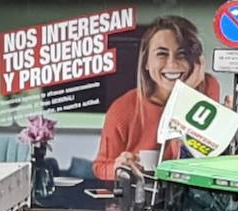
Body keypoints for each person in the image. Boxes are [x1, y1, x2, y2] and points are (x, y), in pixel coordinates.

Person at [93, 16, 221, 183]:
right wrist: (118, 167)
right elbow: (100, 167)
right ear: (146, 62)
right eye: (162, 54)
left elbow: (190, 157)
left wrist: (185, 95)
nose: (172, 64)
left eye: (181, 54)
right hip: (142, 199)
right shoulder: (123, 108)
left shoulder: (207, 87)